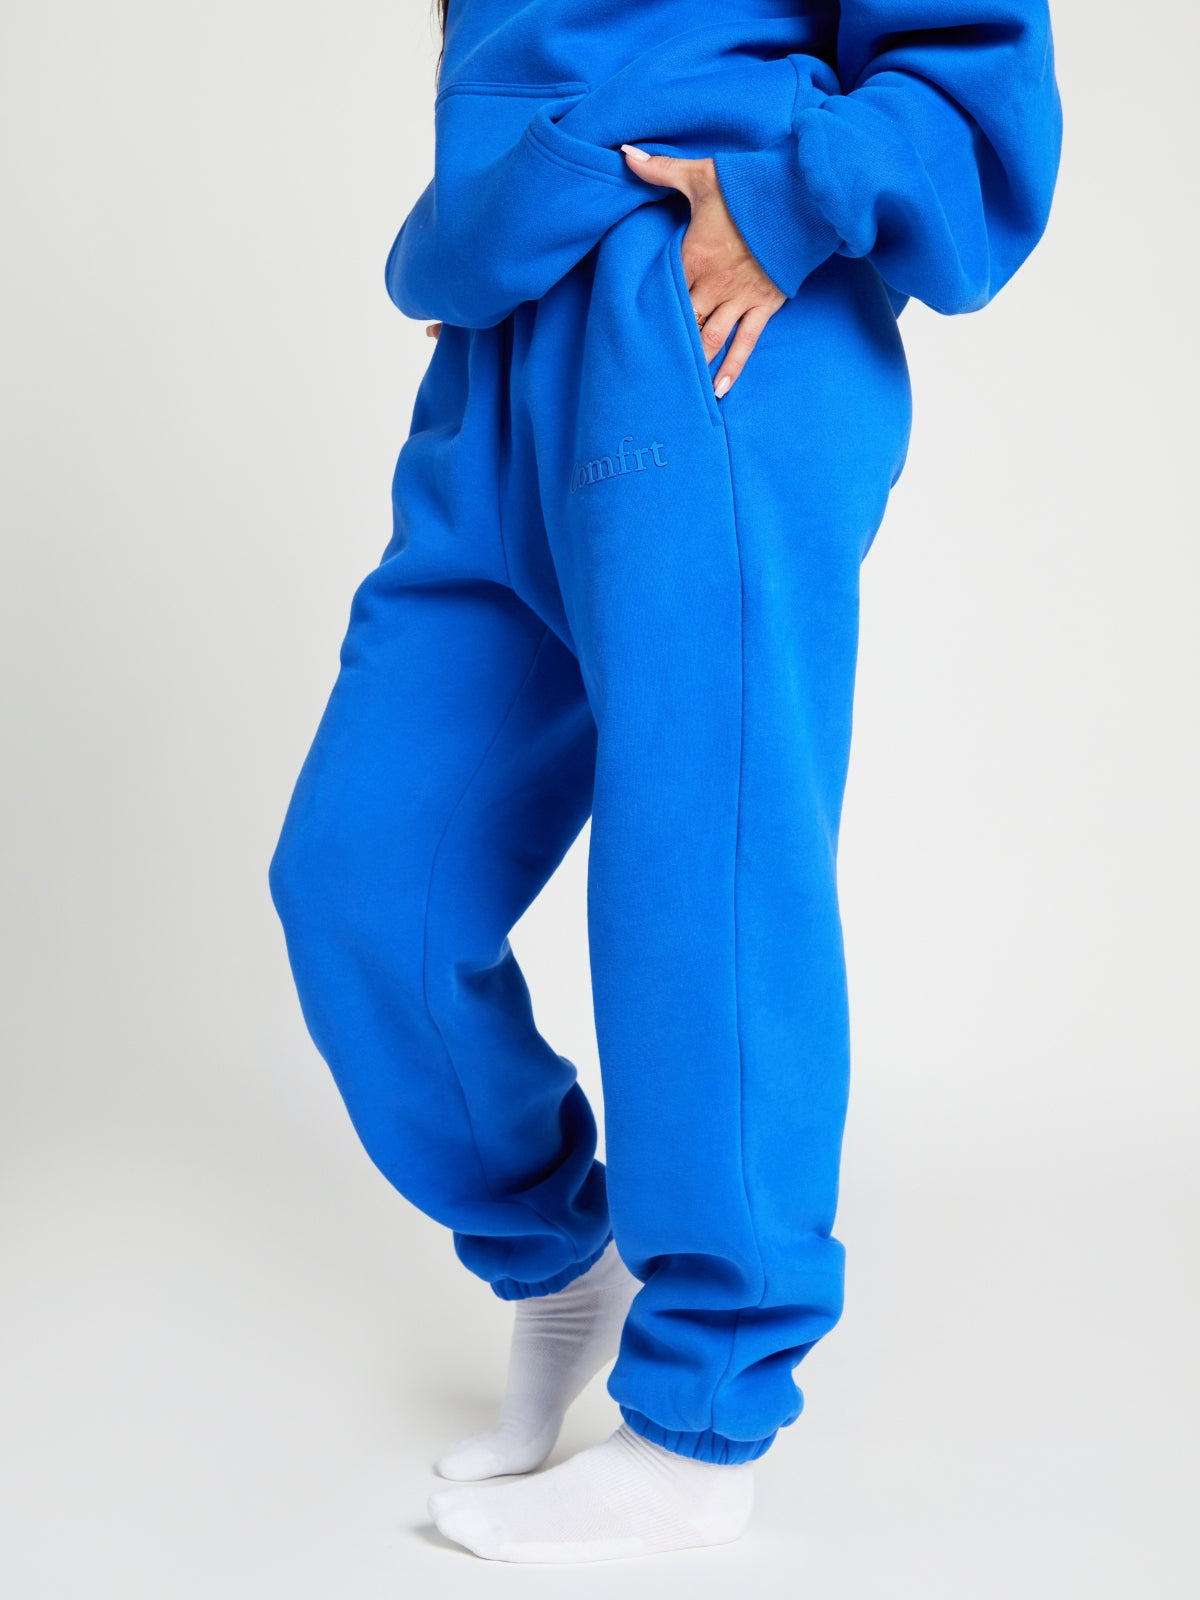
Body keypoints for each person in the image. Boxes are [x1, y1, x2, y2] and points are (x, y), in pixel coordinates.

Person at [268, 0, 1063, 1565]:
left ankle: (703, 1419)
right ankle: (564, 1265)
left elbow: (978, 59)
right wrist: (485, 229)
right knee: (361, 880)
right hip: (504, 327)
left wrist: (790, 191)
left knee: (704, 872)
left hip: (702, 306)